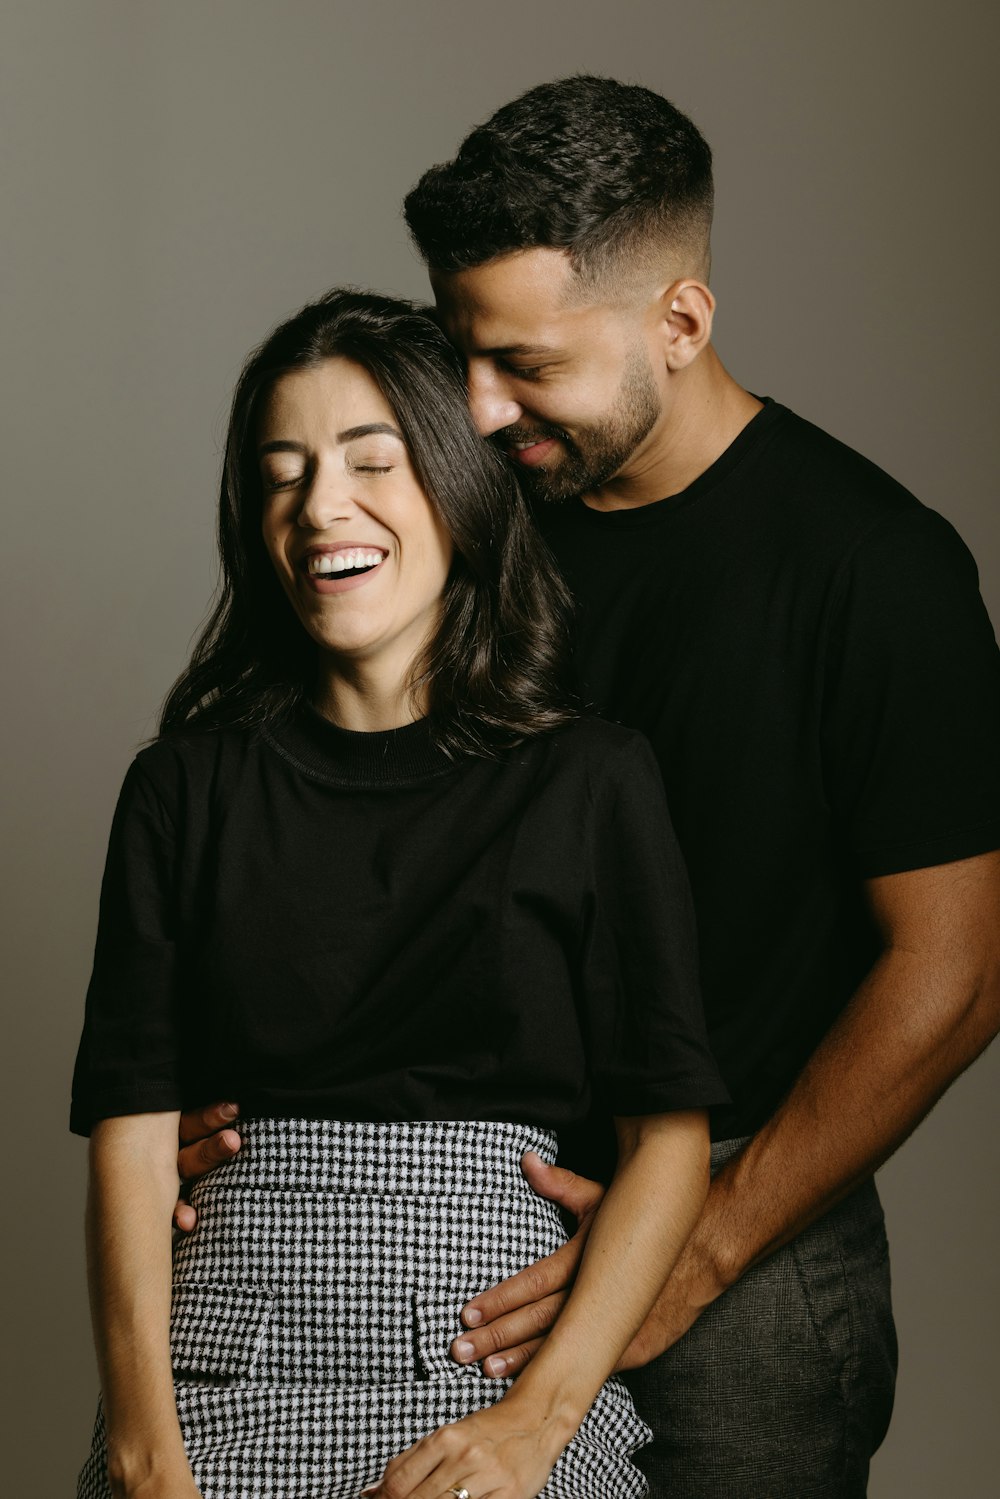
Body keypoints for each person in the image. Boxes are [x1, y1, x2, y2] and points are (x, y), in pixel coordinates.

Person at [175, 78, 1000, 1498]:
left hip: (740, 1238)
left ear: (681, 323)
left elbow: (959, 967)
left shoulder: (875, 567)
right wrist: (219, 1091)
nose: (480, 408)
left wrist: (707, 1239)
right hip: (444, 1226)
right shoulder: (461, 526)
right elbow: (320, 824)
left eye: (528, 364)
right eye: (460, 351)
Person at [70, 288, 731, 1499]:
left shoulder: (591, 777)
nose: (321, 506)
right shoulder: (181, 788)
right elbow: (130, 1141)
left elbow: (668, 1139)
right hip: (227, 1365)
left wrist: (538, 1419)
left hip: (496, 1356)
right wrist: (142, 1447)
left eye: (371, 460)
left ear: (459, 488)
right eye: (282, 472)